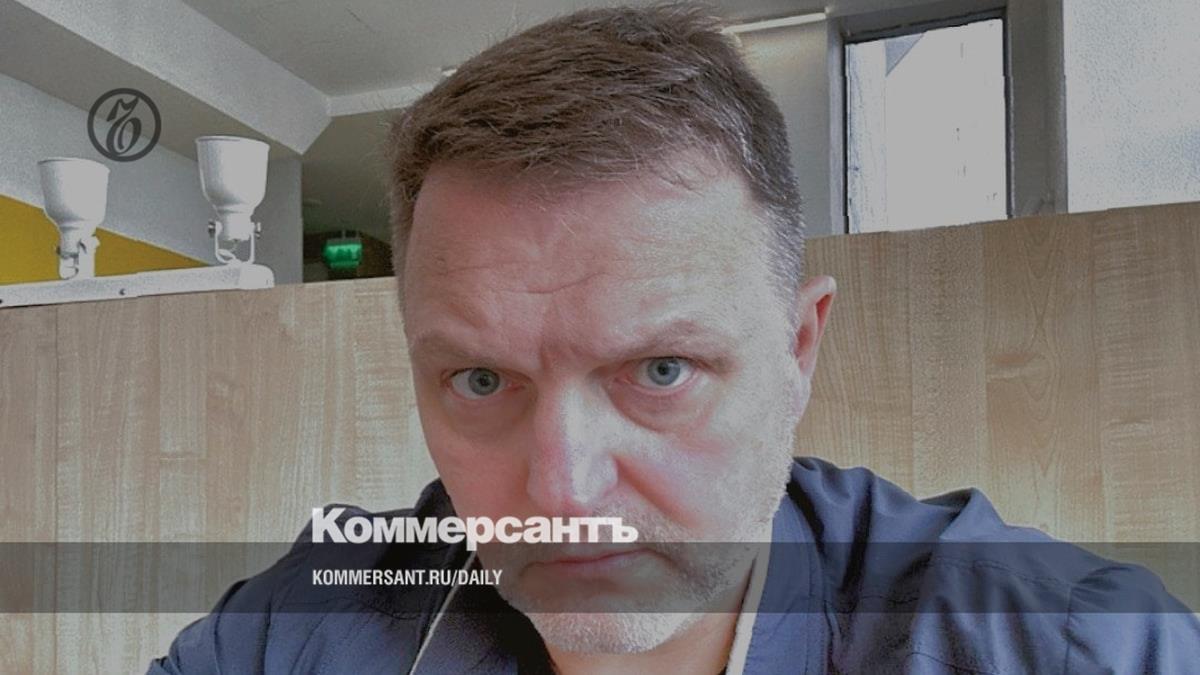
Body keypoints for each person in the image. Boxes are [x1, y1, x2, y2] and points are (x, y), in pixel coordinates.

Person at [151, 4, 1199, 673]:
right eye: (480, 379)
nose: (561, 493)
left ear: (798, 350)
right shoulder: (302, 630)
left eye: (660, 371)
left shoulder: (1062, 645)